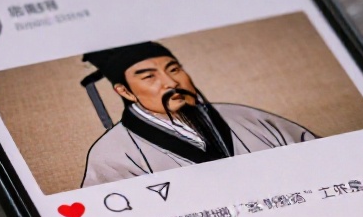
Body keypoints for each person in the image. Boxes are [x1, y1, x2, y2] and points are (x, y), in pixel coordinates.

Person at [79, 41, 315, 187]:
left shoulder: (247, 118)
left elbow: (316, 158)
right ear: (125, 91)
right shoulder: (111, 155)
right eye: (149, 76)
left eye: (174, 69)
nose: (171, 82)